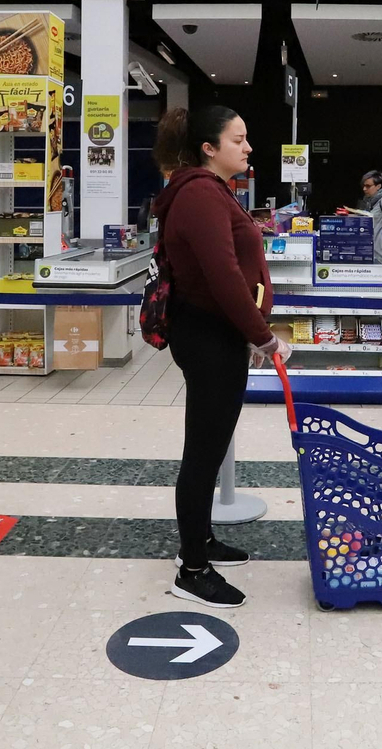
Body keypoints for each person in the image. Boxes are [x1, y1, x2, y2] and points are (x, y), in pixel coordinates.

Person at [151, 105, 290, 609]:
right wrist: (264, 337)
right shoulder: (200, 195)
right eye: (239, 139)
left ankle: (202, 539)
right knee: (204, 452)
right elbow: (224, 277)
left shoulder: (208, 192)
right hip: (209, 336)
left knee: (209, 445)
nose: (248, 147)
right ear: (209, 148)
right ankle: (191, 569)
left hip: (217, 334)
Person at [340, 170, 382, 334]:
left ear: (378, 186)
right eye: (363, 186)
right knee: (377, 289)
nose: (365, 189)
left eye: (368, 186)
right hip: (374, 250)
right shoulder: (370, 201)